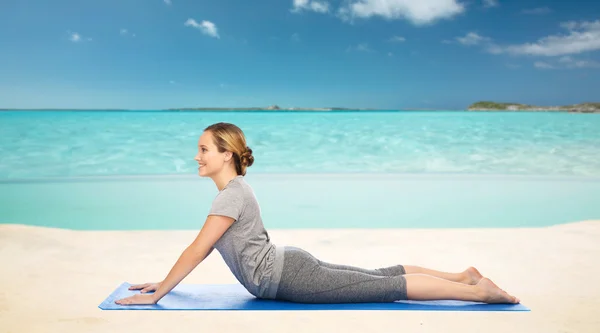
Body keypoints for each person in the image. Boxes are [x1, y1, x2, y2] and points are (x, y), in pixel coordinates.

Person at [115, 122, 520, 306]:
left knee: (386, 287)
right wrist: (165, 283)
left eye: (204, 149)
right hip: (289, 266)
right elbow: (201, 250)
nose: (197, 156)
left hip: (289, 275)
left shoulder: (229, 197)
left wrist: (162, 291)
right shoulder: (238, 190)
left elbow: (197, 248)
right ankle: (461, 275)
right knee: (379, 276)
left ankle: (475, 292)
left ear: (227, 155)